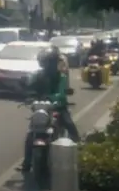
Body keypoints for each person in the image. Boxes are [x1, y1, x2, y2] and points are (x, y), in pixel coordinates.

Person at [17, 44, 80, 173]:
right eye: (47, 62)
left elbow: (62, 93)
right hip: (42, 108)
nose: (49, 65)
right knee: (31, 133)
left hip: (57, 108)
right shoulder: (37, 76)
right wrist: (29, 97)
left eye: (51, 62)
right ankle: (26, 163)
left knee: (69, 125)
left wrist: (55, 98)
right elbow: (29, 87)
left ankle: (78, 154)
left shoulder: (61, 77)